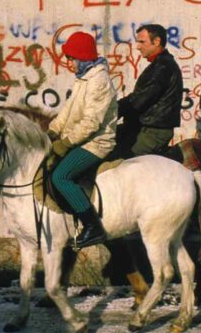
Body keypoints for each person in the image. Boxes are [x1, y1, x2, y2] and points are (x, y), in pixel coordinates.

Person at [46, 31, 118, 249]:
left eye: (71, 58)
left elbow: (91, 123)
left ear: (82, 57)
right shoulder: (83, 78)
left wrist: (64, 144)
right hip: (81, 139)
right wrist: (52, 132)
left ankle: (92, 226)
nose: (68, 62)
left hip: (96, 142)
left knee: (61, 176)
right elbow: (68, 111)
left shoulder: (99, 81)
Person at [113, 23, 183, 159]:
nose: (138, 47)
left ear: (156, 41)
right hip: (143, 127)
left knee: (124, 162)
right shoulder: (159, 64)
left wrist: (112, 111)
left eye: (142, 42)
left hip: (152, 131)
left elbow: (139, 100)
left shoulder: (162, 67)